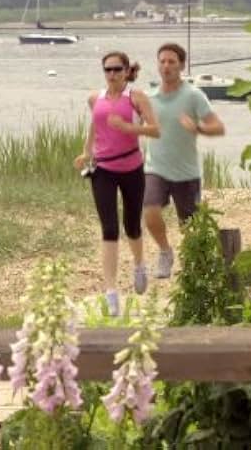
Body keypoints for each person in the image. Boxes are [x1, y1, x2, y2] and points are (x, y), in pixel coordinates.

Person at [73, 51, 159, 316]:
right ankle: (111, 292)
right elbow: (96, 126)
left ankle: (139, 264)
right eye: (107, 70)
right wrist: (87, 152)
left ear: (126, 71)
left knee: (131, 226)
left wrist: (127, 128)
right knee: (109, 228)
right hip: (103, 170)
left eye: (117, 69)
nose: (112, 75)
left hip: (132, 167)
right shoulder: (94, 99)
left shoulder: (136, 98)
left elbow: (155, 129)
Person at [142, 43, 225, 279]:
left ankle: (196, 266)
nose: (166, 66)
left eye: (171, 62)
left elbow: (218, 127)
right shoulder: (148, 97)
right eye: (162, 62)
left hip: (186, 172)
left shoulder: (194, 95)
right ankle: (165, 252)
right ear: (158, 65)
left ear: (181, 65)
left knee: (190, 228)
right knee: (149, 209)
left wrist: (198, 127)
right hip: (155, 167)